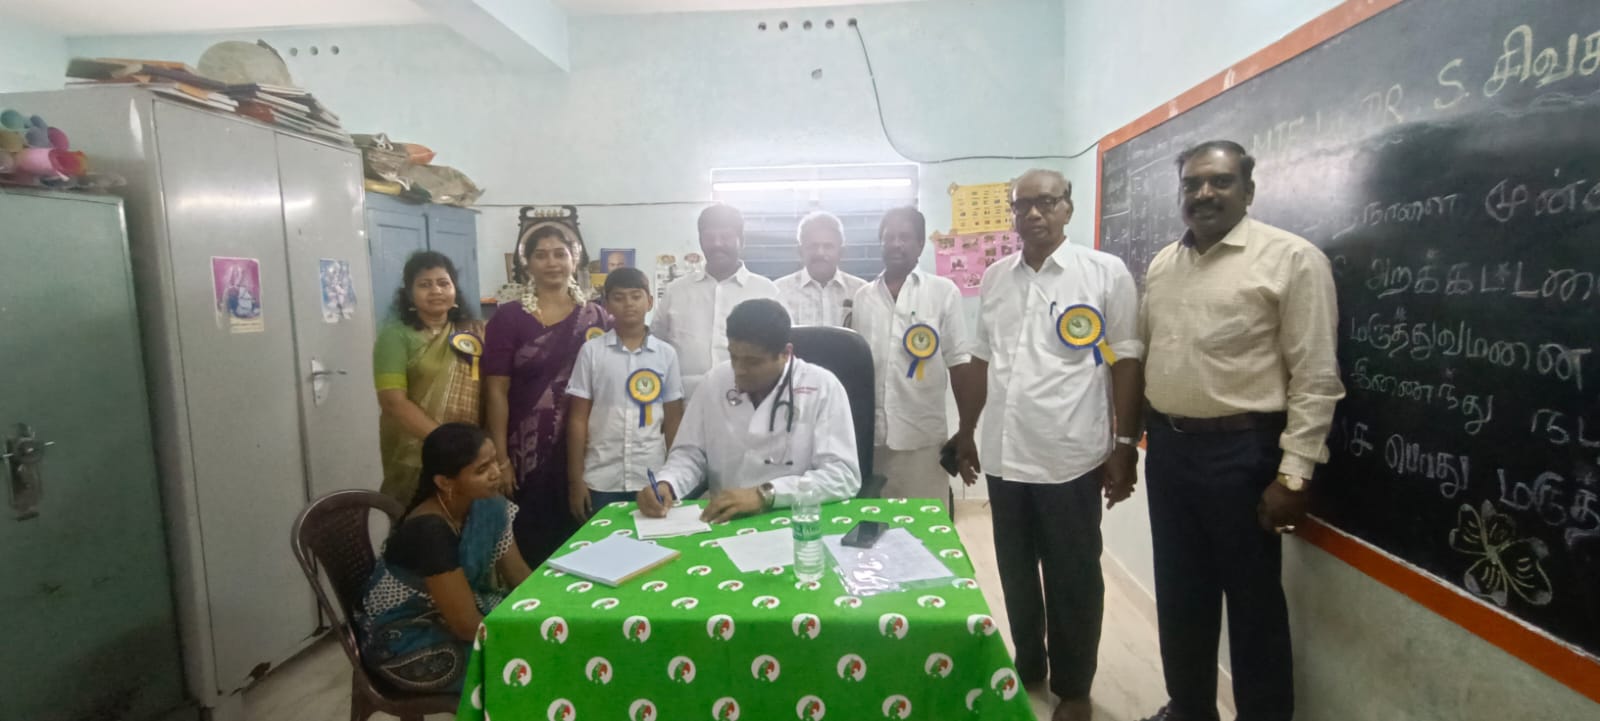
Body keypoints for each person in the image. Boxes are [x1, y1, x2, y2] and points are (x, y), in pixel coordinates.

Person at [1136, 141, 1343, 721]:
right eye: (1192, 184)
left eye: (1220, 182)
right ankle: (1189, 709)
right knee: (1180, 594)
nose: (1204, 193)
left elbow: (1316, 377)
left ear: (1248, 191)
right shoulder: (1163, 264)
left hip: (1243, 455)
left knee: (1253, 607)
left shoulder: (1292, 260)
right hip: (1169, 450)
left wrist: (1294, 474)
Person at [953, 169, 1143, 721]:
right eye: (1022, 205)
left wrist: (1124, 444)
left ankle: (1075, 686)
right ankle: (1030, 664)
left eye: (1045, 202)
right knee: (1015, 570)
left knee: (1073, 577)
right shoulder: (995, 277)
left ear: (1067, 208)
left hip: (1069, 456)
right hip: (1005, 455)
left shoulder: (1104, 273)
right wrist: (966, 431)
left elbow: (1126, 360)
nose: (1032, 213)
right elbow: (982, 360)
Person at [637, 299, 860, 522]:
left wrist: (767, 494)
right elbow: (690, 454)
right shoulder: (715, 381)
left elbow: (842, 475)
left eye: (753, 362)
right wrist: (668, 483)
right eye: (734, 357)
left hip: (796, 518)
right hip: (724, 519)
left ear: (785, 353)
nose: (739, 370)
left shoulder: (821, 387)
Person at [357, 423, 532, 693]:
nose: (496, 473)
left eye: (494, 461)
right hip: (407, 637)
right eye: (481, 469)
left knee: (540, 637)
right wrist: (527, 639)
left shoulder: (487, 504)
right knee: (521, 666)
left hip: (454, 614)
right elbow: (466, 627)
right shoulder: (429, 531)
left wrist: (550, 612)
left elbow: (519, 576)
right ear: (444, 482)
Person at [484, 224, 611, 566]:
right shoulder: (509, 318)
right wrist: (500, 458)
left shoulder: (597, 316)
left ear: (574, 258)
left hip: (584, 444)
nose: (552, 263)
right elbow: (496, 390)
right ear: (527, 263)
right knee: (532, 538)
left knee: (583, 539)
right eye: (541, 255)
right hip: (525, 451)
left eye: (559, 254)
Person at [848, 207, 980, 501]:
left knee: (924, 521)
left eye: (905, 237)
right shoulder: (863, 297)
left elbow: (960, 364)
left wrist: (966, 430)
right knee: (874, 521)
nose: (896, 244)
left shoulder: (943, 292)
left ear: (920, 244)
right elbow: (857, 370)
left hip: (922, 438)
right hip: (871, 438)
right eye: (889, 237)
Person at [566, 268, 686, 520]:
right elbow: (577, 419)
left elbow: (673, 419)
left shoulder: (666, 354)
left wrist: (673, 478)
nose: (628, 303)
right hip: (601, 477)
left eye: (636, 296)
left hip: (651, 476)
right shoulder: (591, 352)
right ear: (606, 305)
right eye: (619, 297)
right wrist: (575, 479)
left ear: (649, 302)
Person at [372, 251, 486, 504]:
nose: (436, 290)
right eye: (425, 284)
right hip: (415, 453)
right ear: (409, 293)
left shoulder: (473, 332)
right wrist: (445, 443)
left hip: (469, 452)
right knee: (418, 519)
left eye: (443, 283)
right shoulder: (394, 336)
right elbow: (392, 402)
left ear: (454, 289)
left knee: (468, 519)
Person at [654, 204, 780, 399]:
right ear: (701, 241)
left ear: (741, 241)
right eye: (710, 237)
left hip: (750, 403)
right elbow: (657, 347)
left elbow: (780, 352)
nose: (717, 244)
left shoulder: (766, 291)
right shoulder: (676, 291)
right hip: (686, 403)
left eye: (726, 237)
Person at [775, 210, 867, 327]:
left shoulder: (861, 292)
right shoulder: (779, 292)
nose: (820, 253)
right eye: (813, 246)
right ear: (800, 251)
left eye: (828, 246)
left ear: (841, 252)